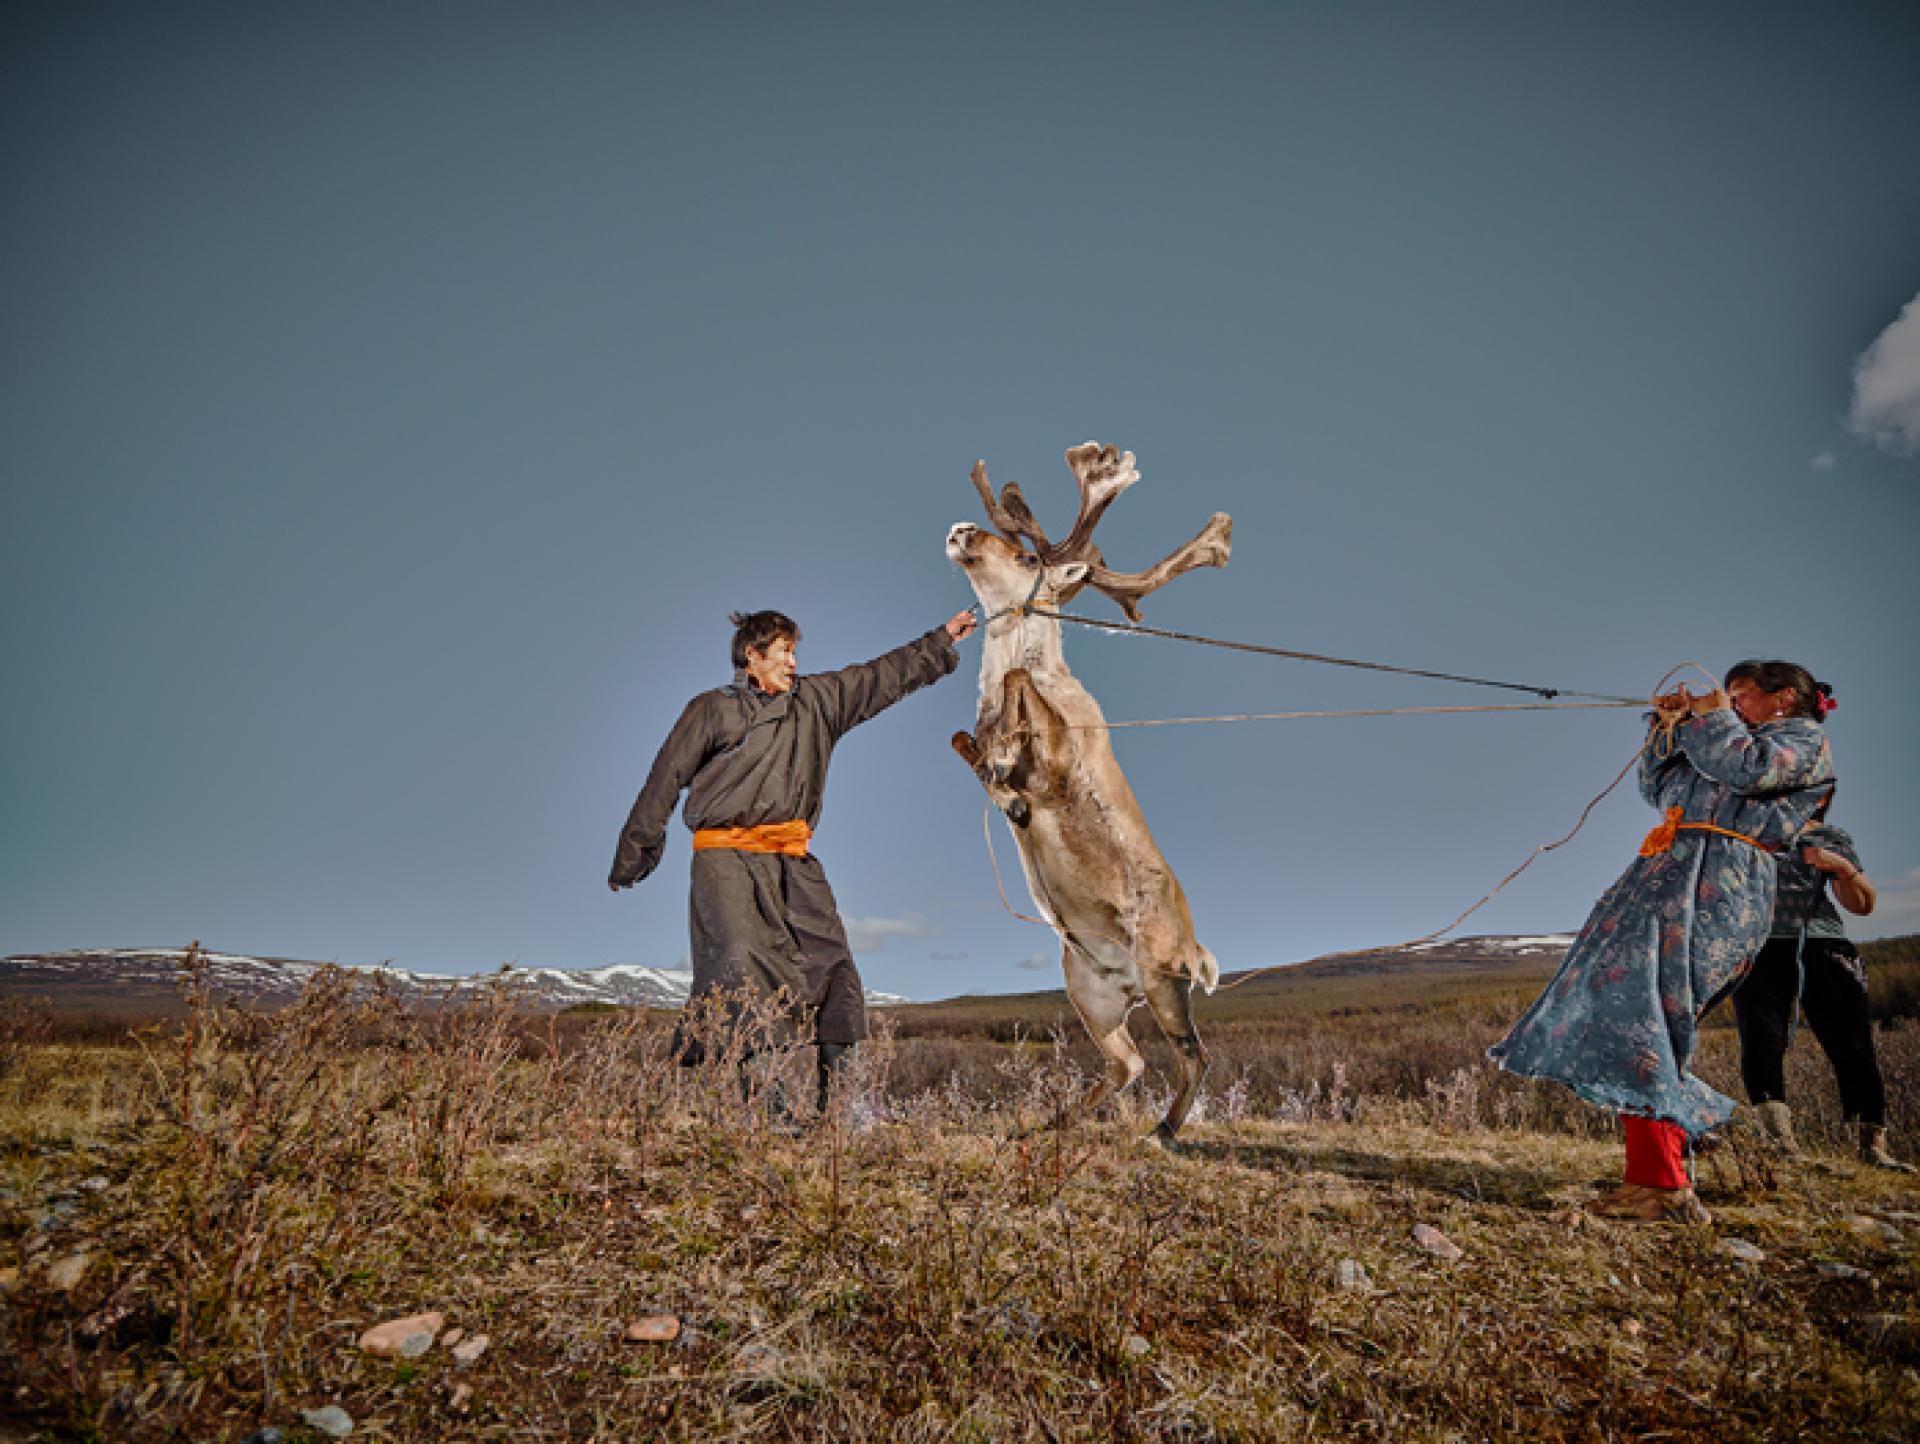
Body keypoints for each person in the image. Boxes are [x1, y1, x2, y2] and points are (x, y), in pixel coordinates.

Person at [1490, 659, 1837, 1222]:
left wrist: (1715, 720)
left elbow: (1747, 770)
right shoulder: (1722, 740)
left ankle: (1664, 1181)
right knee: (1609, 1002)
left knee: (1647, 1015)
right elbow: (1659, 788)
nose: (1732, 705)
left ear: (1785, 698)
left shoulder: (1804, 742)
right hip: (1664, 876)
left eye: (1742, 696)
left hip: (1721, 887)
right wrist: (1667, 729)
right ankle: (1694, 1135)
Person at [609, 606, 978, 1115]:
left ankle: (839, 1116)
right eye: (783, 652)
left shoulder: (818, 702)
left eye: (794, 651)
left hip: (793, 860)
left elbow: (878, 677)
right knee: (740, 967)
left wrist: (941, 640)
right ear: (752, 656)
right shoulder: (712, 710)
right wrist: (636, 849)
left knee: (834, 969)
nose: (793, 662)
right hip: (725, 862)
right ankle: (771, 1114)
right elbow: (665, 778)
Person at [1729, 691, 1910, 1170]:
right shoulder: (1745, 833)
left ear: (1824, 794)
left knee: (1851, 1041)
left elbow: (1864, 905)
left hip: (1825, 944)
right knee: (1761, 1039)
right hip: (1761, 946)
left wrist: (1839, 868)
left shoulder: (1833, 837)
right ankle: (1780, 1143)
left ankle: (1872, 1146)